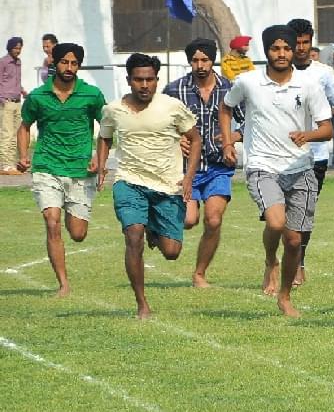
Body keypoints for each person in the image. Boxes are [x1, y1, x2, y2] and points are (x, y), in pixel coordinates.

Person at [220, 25, 333, 317]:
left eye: (286, 48)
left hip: (300, 168)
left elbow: (327, 128)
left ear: (294, 50)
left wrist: (308, 135)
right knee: (275, 222)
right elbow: (226, 107)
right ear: (267, 50)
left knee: (294, 240)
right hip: (262, 166)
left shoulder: (309, 84)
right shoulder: (248, 82)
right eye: (275, 48)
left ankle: (284, 297)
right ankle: (271, 259)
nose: (281, 54)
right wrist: (228, 142)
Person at [96, 54, 200, 319]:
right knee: (133, 236)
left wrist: (189, 177)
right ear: (129, 80)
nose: (144, 85)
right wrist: (102, 165)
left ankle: (153, 227)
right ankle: (142, 304)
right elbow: (104, 137)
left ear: (156, 80)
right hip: (129, 181)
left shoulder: (172, 107)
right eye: (138, 79)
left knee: (172, 252)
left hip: (167, 186)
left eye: (150, 79)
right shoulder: (113, 109)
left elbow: (195, 138)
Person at [18, 42, 105, 296]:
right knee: (51, 221)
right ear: (54, 63)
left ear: (79, 66)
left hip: (80, 170)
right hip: (47, 166)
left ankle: (71, 210)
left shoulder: (92, 94)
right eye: (64, 62)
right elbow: (24, 127)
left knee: (77, 233)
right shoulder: (38, 96)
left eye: (74, 63)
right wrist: (23, 155)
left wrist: (99, 158)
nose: (69, 67)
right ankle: (63, 284)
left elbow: (107, 127)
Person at [163, 38, 241, 287]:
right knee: (188, 220)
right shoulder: (174, 90)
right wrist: (175, 139)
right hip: (186, 168)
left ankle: (199, 273)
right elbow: (159, 123)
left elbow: (252, 119)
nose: (200, 65)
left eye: (205, 60)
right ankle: (157, 224)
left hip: (218, 166)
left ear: (212, 61)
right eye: (195, 60)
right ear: (189, 62)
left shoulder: (230, 89)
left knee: (214, 219)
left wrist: (234, 136)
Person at [285, 18, 334, 282]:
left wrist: (322, 113)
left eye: (305, 42)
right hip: (278, 155)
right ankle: (275, 261)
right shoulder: (275, 73)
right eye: (296, 43)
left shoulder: (324, 73)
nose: (300, 48)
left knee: (304, 212)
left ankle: (298, 261)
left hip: (315, 155)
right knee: (279, 215)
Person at [0, 36, 24, 174]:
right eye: (15, 48)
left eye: (20, 48)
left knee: (15, 134)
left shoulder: (18, 62)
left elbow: (16, 81)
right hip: (6, 102)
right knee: (7, 134)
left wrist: (23, 91)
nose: (18, 50)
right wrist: (2, 99)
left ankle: (11, 164)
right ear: (10, 48)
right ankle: (5, 165)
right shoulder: (3, 62)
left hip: (17, 101)